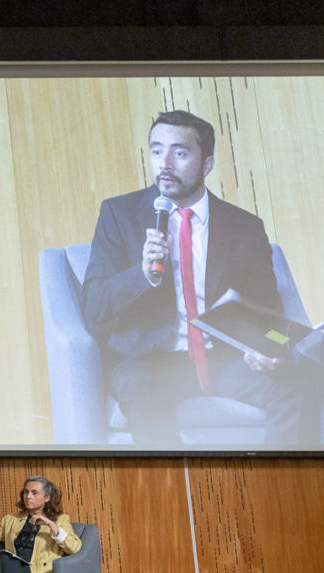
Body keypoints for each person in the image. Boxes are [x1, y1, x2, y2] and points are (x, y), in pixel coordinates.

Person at [81, 109, 315, 446]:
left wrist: (267, 349)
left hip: (224, 359)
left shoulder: (245, 227)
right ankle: (174, 496)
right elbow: (93, 305)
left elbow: (267, 309)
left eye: (180, 152)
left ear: (207, 164)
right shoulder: (119, 214)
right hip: (151, 361)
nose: (165, 163)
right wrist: (142, 275)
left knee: (296, 383)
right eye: (156, 150)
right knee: (140, 384)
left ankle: (280, 492)